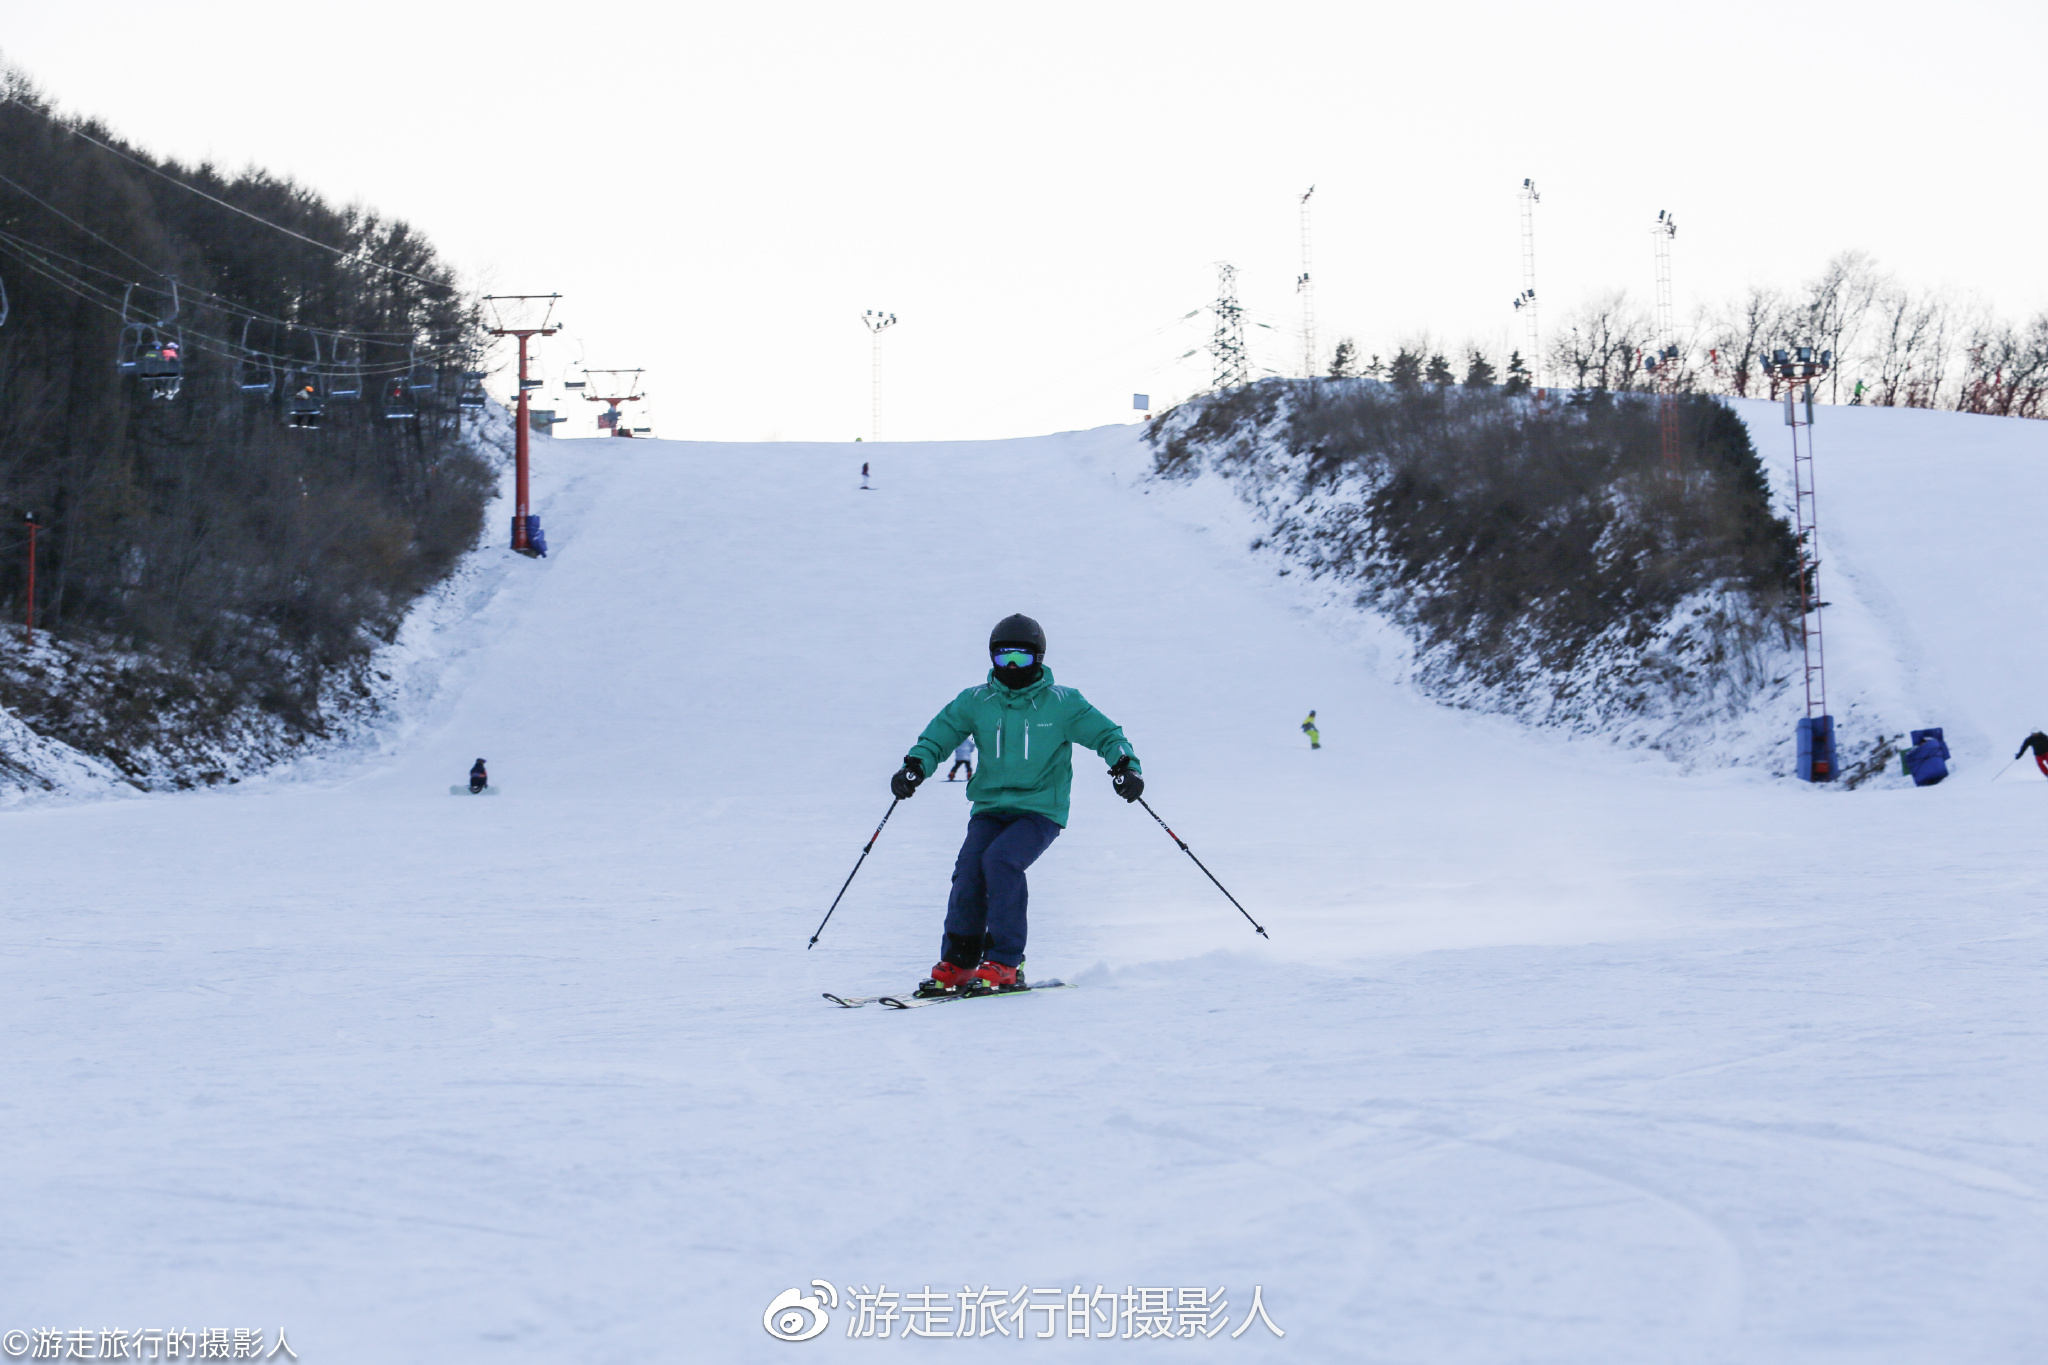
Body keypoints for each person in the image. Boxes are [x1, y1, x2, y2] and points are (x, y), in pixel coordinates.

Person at [890, 614, 1143, 992]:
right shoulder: (976, 701)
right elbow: (938, 735)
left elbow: (1108, 734)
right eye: (1003, 657)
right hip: (990, 807)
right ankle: (960, 962)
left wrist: (1125, 766)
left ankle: (1006, 963)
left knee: (1001, 860)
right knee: (969, 870)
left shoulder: (1062, 703)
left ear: (1038, 659)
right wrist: (915, 766)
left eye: (1021, 659)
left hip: (1041, 809)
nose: (1011, 667)